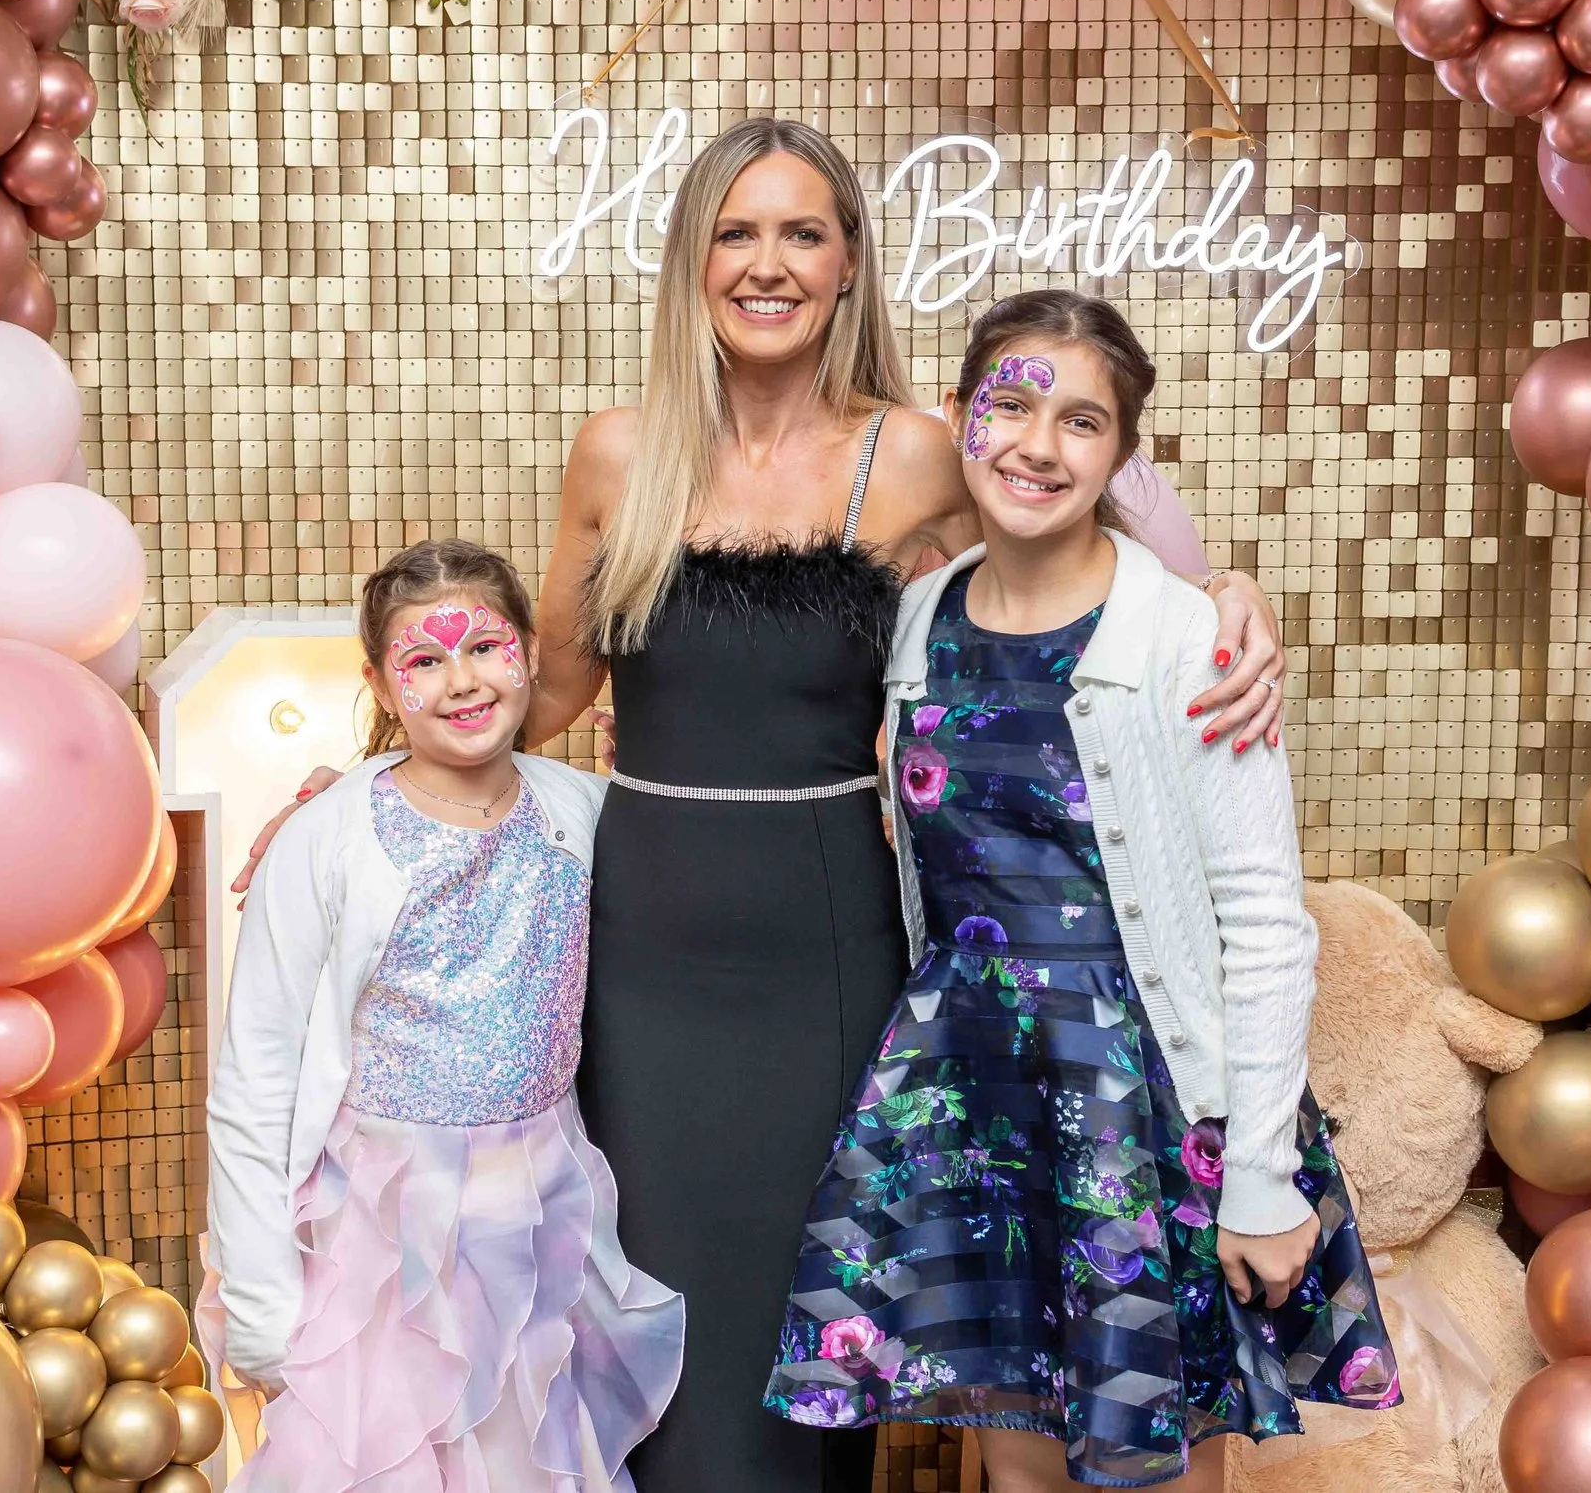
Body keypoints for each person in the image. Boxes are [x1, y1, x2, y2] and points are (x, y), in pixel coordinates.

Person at [234, 118, 1291, 1493]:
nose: (769, 262)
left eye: (804, 232)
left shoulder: (917, 450)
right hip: (645, 954)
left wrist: (1223, 595)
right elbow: (542, 683)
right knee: (648, 1329)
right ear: (694, 260)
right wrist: (369, 782)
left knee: (816, 1339)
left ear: (850, 262)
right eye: (738, 232)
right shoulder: (620, 452)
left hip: (830, 949)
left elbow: (1085, 555)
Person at [764, 291, 1396, 1491]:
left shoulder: (1185, 638)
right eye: (1008, 404)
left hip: (1139, 1106)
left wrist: (1258, 1173)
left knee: (1159, 1469)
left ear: (1119, 455)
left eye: (1083, 422)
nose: (1037, 445)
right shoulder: (914, 619)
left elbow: (1266, 920)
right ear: (958, 419)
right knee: (1020, 1473)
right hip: (973, 1099)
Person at [200, 539, 684, 1492]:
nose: (462, 681)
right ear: (381, 683)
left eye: (486, 649)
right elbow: (255, 1075)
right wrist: (260, 1296)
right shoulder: (328, 837)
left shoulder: (586, 814)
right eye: (424, 660)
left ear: (532, 658)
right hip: (377, 1240)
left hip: (537, 1224)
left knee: (523, 1458)